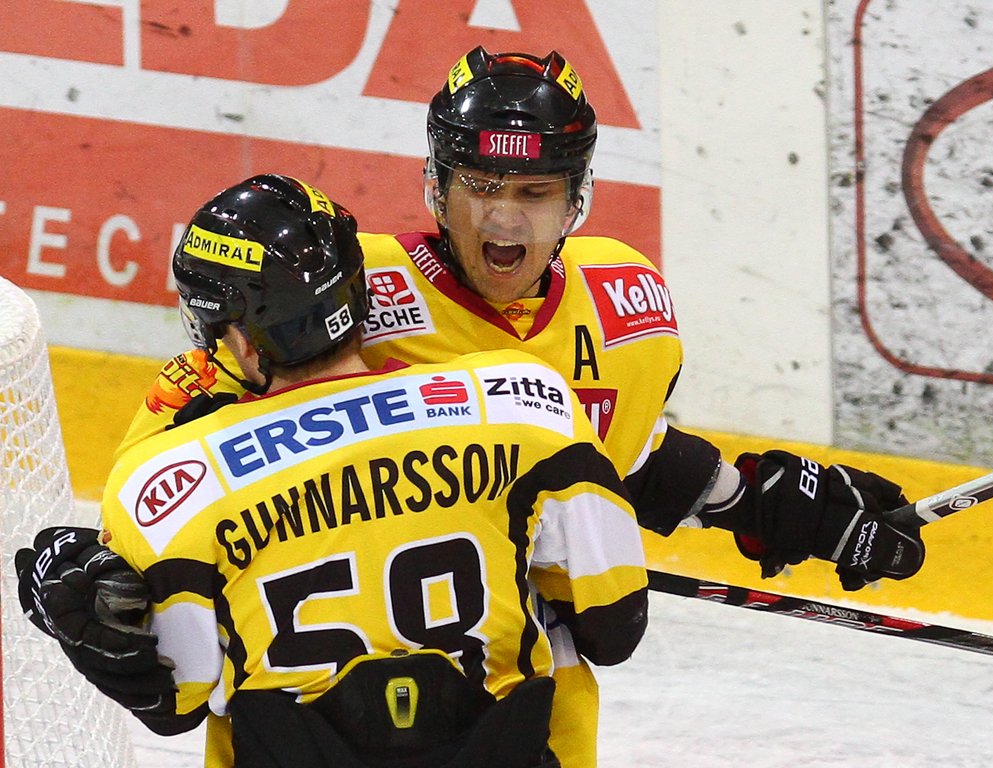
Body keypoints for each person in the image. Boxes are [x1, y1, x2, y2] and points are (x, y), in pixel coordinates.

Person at [20, 47, 925, 768]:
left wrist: (759, 499)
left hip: (525, 727)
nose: (503, 221)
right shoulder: (346, 289)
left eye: (534, 193)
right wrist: (94, 569)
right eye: (479, 188)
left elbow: (626, 453)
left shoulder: (626, 304)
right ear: (435, 185)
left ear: (577, 198)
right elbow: (187, 459)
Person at [16, 174, 649, 768]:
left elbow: (173, 699)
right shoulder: (523, 402)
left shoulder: (174, 479)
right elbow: (615, 626)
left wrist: (72, 598)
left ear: (241, 340)